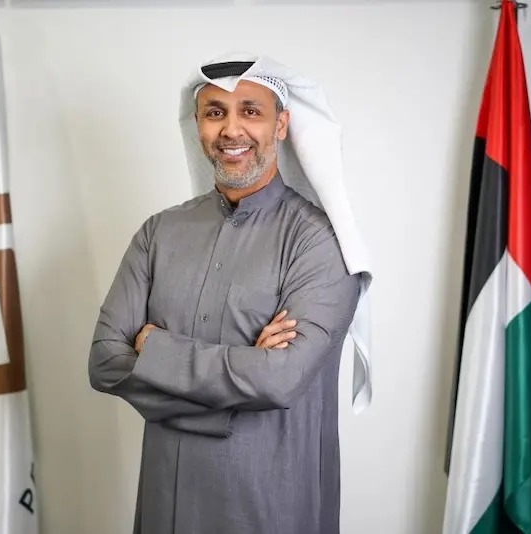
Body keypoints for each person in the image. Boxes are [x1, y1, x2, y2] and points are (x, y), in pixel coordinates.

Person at [89, 54, 372, 534]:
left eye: (251, 111)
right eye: (215, 113)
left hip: (271, 506)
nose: (231, 129)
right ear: (198, 125)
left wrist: (155, 350)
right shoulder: (159, 232)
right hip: (166, 503)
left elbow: (281, 379)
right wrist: (247, 374)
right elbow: (104, 362)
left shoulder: (320, 241)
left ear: (281, 125)